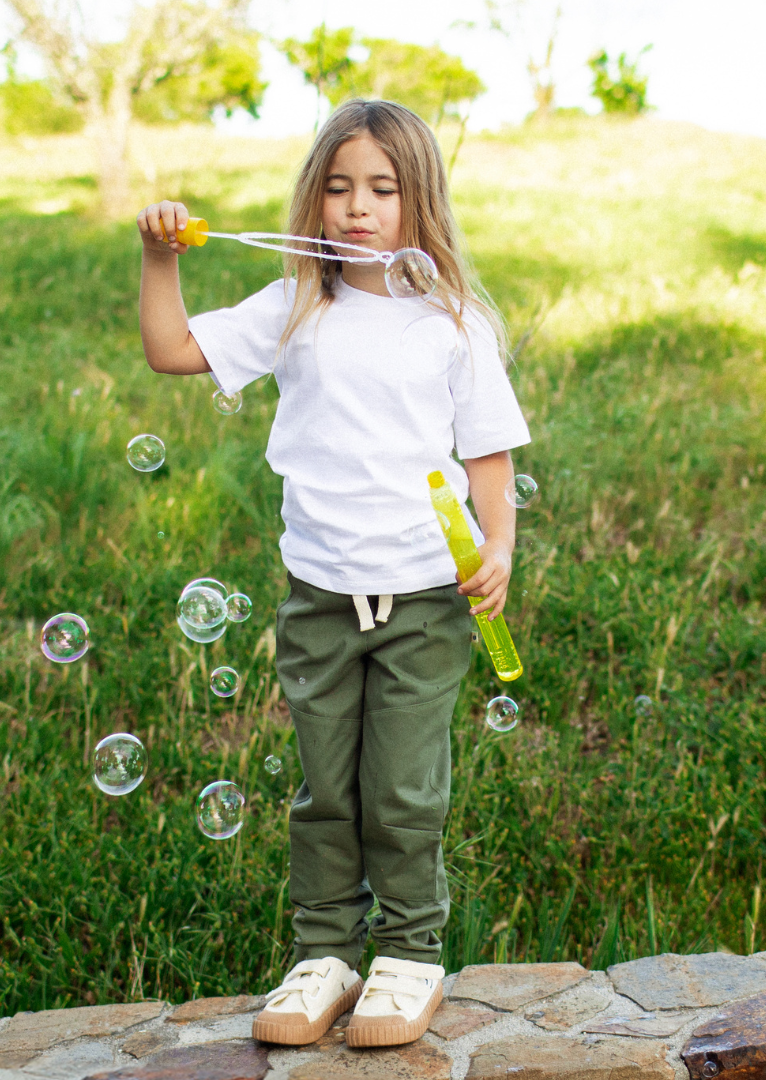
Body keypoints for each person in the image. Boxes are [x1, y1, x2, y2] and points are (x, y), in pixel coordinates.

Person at [137, 99, 530, 1049]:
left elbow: (488, 457)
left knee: (401, 789)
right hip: (317, 595)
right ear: (313, 199)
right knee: (324, 790)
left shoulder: (455, 321)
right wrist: (161, 259)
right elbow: (172, 350)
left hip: (427, 597)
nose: (359, 207)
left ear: (418, 201)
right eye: (340, 187)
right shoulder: (298, 305)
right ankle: (325, 953)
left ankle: (408, 955)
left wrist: (501, 547)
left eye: (383, 190)